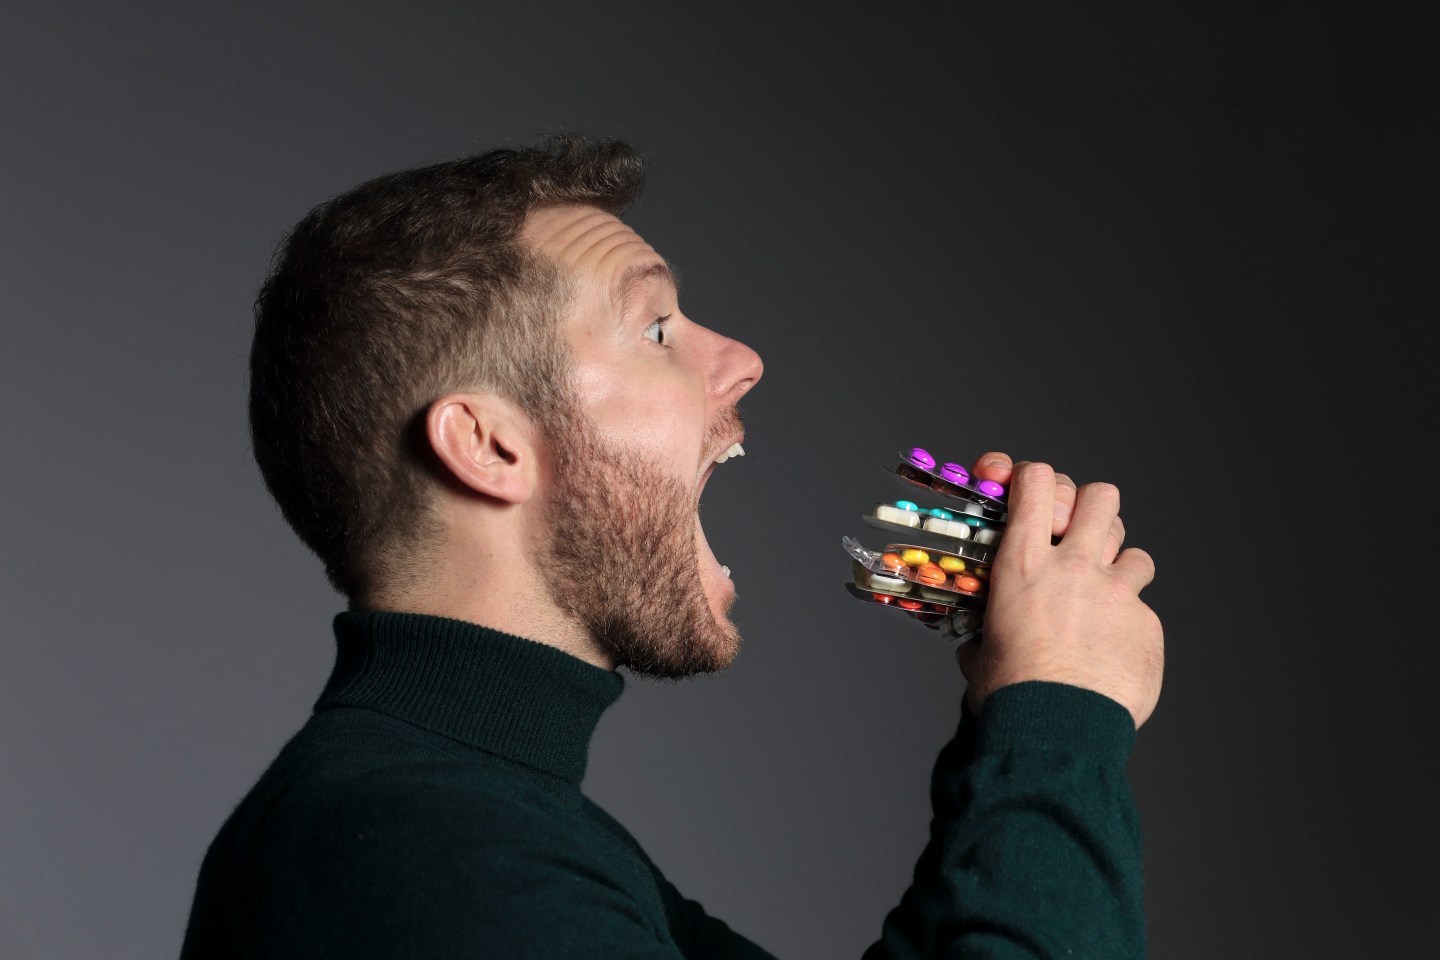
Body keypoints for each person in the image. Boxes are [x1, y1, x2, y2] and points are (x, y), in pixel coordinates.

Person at [179, 137, 1163, 959]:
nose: (740, 361)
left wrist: (1015, 715)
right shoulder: (428, 854)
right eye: (655, 328)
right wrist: (1060, 719)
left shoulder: (483, 822)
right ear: (488, 445)